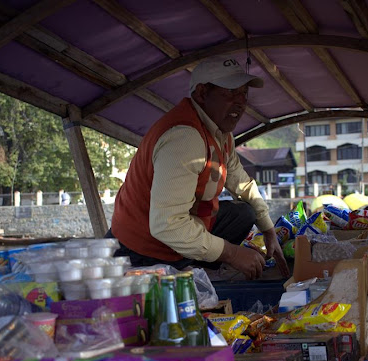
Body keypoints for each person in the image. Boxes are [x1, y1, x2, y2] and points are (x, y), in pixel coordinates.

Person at [107, 56, 289, 280]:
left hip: (188, 225)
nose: (241, 102)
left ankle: (198, 266)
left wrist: (268, 230)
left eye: (244, 93)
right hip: (140, 249)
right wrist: (232, 254)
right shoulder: (185, 137)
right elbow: (167, 225)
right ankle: (187, 271)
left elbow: (239, 180)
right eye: (231, 93)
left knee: (244, 213)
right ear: (202, 94)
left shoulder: (221, 133)